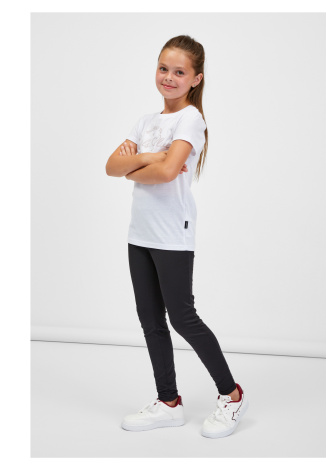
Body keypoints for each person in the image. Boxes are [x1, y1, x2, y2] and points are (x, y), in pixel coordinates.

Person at [105, 35, 249, 439]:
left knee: (183, 317)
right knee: (150, 320)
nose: (169, 77)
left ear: (195, 78)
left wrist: (137, 166)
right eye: (163, 68)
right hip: (139, 233)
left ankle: (232, 395)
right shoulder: (145, 122)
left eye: (179, 72)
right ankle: (168, 402)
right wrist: (152, 157)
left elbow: (168, 173)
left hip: (172, 234)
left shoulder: (190, 119)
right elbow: (111, 167)